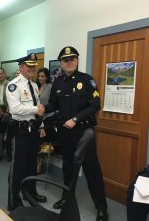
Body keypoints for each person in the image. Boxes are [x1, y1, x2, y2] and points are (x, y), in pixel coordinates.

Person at [44, 46, 108, 221]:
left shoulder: (87, 80)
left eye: (72, 58)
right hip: (65, 133)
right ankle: (67, 199)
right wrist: (40, 108)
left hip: (83, 133)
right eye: (65, 60)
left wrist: (75, 119)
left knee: (92, 170)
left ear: (77, 60)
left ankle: (101, 207)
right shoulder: (57, 83)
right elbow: (53, 106)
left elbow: (95, 105)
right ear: (61, 63)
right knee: (68, 169)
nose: (69, 61)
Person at [6, 53, 47, 211]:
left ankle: (30, 193)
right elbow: (15, 109)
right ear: (21, 67)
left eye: (33, 66)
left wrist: (41, 125)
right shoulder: (14, 85)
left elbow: (39, 108)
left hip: (34, 130)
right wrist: (36, 109)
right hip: (21, 131)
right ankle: (13, 200)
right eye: (29, 66)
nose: (32, 68)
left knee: (32, 165)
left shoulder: (34, 85)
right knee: (18, 167)